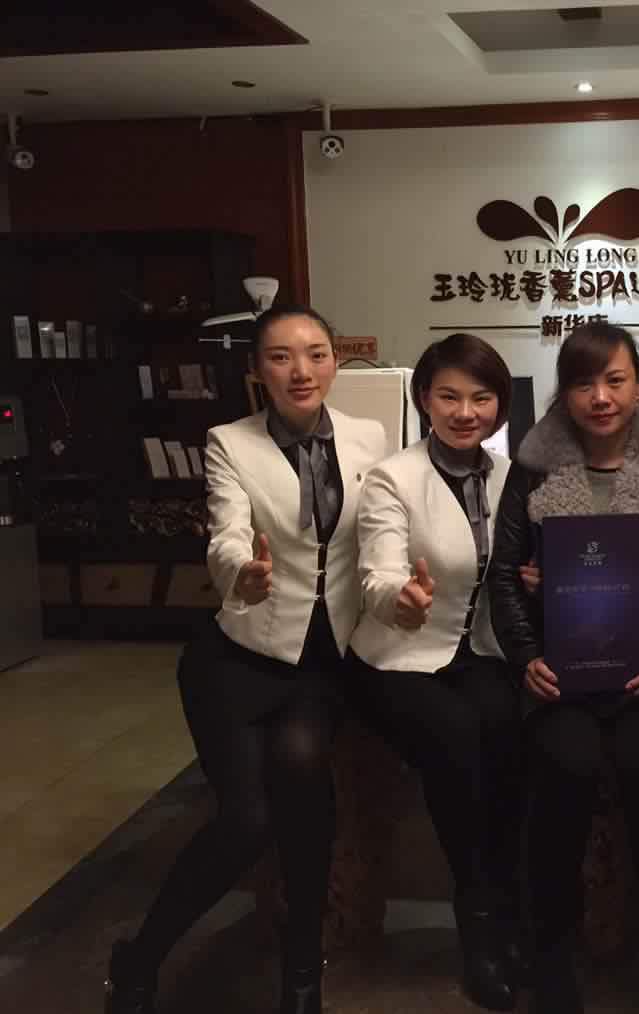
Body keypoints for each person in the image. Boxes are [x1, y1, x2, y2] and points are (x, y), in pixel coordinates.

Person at [105, 305, 387, 1014]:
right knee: (247, 821)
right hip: (238, 658)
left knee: (307, 791)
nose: (302, 370)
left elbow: (383, 532)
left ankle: (303, 975)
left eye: (316, 353)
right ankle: (140, 957)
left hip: (318, 664)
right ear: (258, 370)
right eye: (281, 357)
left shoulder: (369, 437)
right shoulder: (229, 442)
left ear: (335, 360)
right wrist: (242, 572)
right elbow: (226, 531)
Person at [488, 323, 639, 1014]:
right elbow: (504, 574)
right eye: (583, 383)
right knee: (563, 770)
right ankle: (552, 955)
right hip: (561, 675)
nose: (601, 397)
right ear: (566, 393)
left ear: (638, 384)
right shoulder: (533, 466)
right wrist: (526, 657)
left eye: (615, 380)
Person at [343, 333, 525, 1010]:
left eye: (481, 397)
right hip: (397, 656)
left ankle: (508, 907)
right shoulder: (394, 478)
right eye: (449, 396)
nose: (465, 411)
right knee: (455, 736)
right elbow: (378, 571)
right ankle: (477, 925)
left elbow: (519, 570)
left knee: (510, 726)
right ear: (424, 399)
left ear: (500, 404)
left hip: (476, 649)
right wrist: (402, 598)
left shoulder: (511, 477)